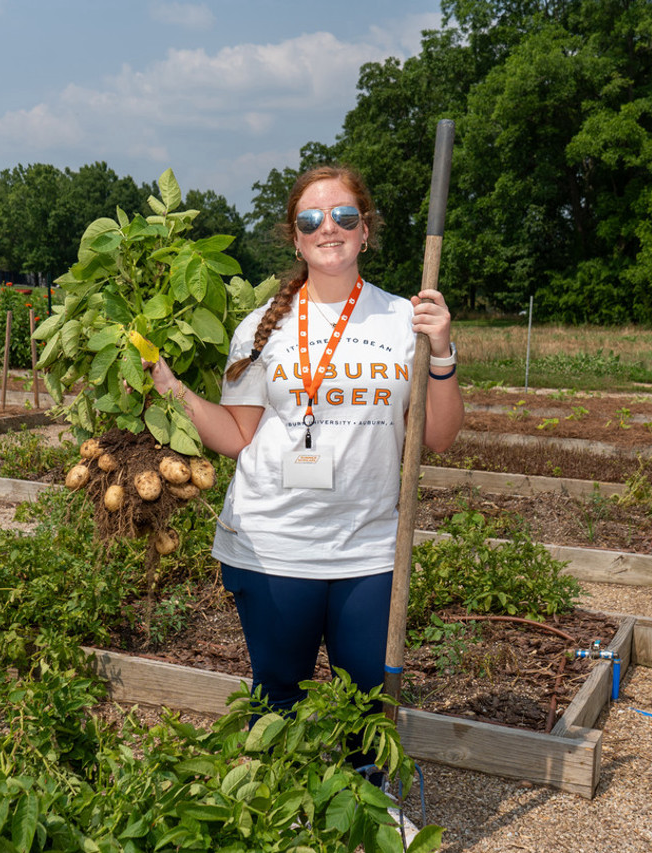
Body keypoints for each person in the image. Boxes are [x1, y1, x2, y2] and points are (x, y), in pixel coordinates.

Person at [147, 164, 464, 742]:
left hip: (367, 547)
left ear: (365, 230)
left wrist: (440, 351)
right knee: (278, 695)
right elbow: (235, 435)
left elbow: (438, 437)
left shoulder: (406, 321)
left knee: (367, 701)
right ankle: (278, 816)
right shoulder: (260, 328)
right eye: (311, 219)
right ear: (295, 236)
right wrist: (169, 386)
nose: (329, 228)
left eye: (344, 216)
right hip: (271, 543)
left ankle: (367, 805)